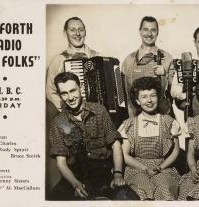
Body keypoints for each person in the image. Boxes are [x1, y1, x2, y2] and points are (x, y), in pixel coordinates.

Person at [49, 72, 137, 200]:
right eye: (64, 93)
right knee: (55, 198)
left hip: (104, 172)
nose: (70, 97)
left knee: (128, 198)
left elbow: (116, 145)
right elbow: (61, 163)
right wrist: (75, 184)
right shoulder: (58, 122)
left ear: (81, 89)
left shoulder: (99, 111)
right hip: (76, 174)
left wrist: (117, 174)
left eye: (73, 91)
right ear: (60, 95)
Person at [118, 77, 181, 200]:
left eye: (153, 95)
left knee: (165, 186)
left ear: (158, 97)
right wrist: (144, 168)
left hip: (163, 167)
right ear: (137, 100)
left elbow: (175, 151)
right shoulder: (129, 124)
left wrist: (161, 167)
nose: (149, 100)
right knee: (142, 188)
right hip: (137, 168)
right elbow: (125, 155)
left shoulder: (169, 122)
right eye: (144, 97)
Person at [121, 16, 174, 117]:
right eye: (145, 29)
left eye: (153, 30)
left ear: (157, 32)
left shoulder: (167, 59)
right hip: (135, 118)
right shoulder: (128, 60)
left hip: (162, 118)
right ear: (140, 31)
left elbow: (175, 91)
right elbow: (125, 96)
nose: (149, 34)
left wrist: (165, 75)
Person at [46, 17, 99, 111]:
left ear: (85, 32)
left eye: (81, 30)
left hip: (98, 115)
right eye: (72, 30)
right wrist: (68, 109)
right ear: (65, 33)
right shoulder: (58, 60)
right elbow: (50, 92)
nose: (77, 33)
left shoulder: (98, 57)